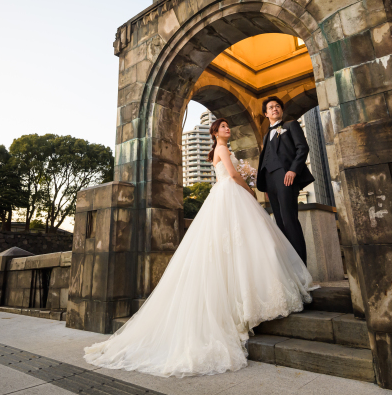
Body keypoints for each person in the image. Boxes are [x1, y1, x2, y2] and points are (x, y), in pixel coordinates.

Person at [84, 118, 316, 377]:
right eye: (224, 126)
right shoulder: (222, 149)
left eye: (229, 126)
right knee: (243, 244)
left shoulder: (223, 150)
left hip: (225, 196)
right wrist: (250, 191)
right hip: (231, 195)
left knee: (241, 247)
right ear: (215, 132)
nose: (228, 129)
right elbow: (233, 174)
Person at [256, 96, 315, 264]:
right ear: (266, 113)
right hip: (270, 181)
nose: (275, 109)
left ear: (281, 110)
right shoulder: (266, 135)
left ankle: (301, 268)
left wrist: (293, 171)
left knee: (289, 219)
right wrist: (266, 185)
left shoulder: (291, 125)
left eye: (277, 106)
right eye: (271, 107)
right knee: (279, 222)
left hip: (286, 177)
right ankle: (289, 267)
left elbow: (302, 148)